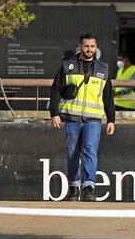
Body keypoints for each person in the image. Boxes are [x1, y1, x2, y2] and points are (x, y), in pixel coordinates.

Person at [49, 33, 115, 202]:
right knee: (72, 154)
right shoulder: (67, 66)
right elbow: (56, 89)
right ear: (80, 47)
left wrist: (111, 120)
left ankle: (88, 188)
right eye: (86, 46)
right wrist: (54, 114)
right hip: (71, 118)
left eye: (92, 46)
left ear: (96, 47)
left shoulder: (103, 69)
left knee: (90, 153)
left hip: (93, 120)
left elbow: (108, 97)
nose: (89, 50)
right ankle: (73, 186)